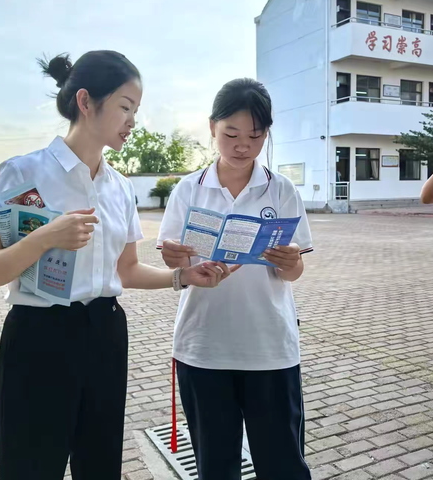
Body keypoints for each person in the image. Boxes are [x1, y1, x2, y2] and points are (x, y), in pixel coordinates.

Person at [0, 51, 236, 480]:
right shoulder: (24, 173)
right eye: (125, 107)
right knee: (30, 467)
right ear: (85, 102)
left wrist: (181, 277)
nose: (133, 121)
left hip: (105, 337)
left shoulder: (118, 187)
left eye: (136, 110)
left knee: (100, 466)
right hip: (38, 339)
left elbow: (127, 270)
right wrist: (46, 237)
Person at [158, 78, 313, 480]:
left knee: (282, 465)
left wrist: (290, 259)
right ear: (212, 128)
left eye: (255, 136)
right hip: (203, 348)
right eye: (230, 133)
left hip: (270, 348)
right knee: (216, 466)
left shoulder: (280, 190)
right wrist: (176, 260)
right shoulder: (188, 189)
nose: (242, 145)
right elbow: (175, 263)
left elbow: (293, 272)